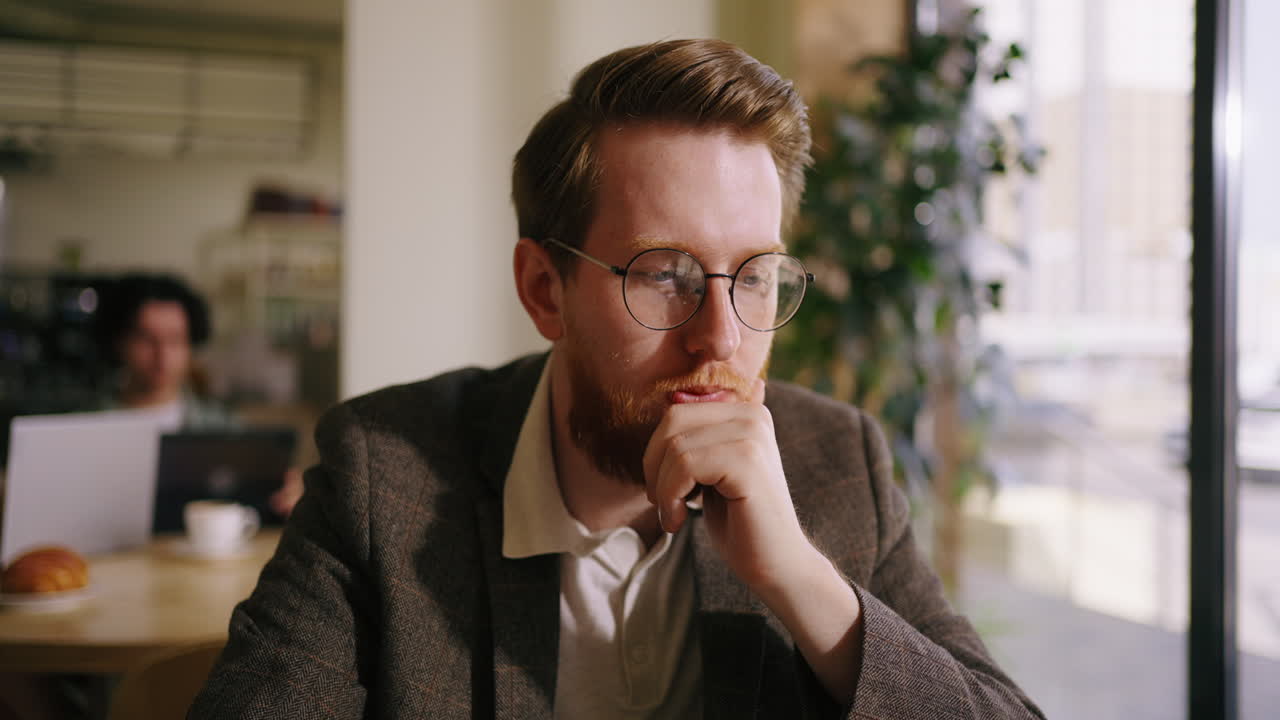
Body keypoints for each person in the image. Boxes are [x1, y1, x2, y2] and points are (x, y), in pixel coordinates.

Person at [190, 39, 1043, 718]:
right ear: (542, 290)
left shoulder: (832, 461)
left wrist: (798, 578)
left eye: (753, 275)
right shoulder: (386, 473)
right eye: (664, 273)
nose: (721, 336)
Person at [93, 273, 303, 516]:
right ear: (119, 343)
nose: (162, 356)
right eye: (146, 339)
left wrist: (289, 496)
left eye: (175, 340)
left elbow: (258, 506)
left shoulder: (225, 430)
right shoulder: (83, 426)